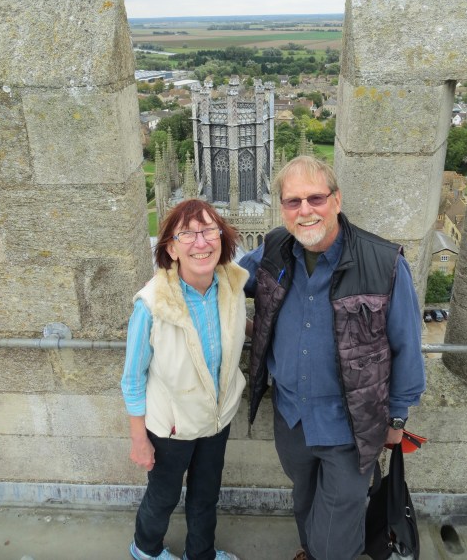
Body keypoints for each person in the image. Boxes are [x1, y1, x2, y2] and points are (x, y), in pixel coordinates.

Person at [239, 156, 426, 560]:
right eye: (293, 202)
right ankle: (311, 550)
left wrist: (397, 418)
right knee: (304, 499)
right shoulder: (273, 249)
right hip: (291, 417)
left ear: (336, 200)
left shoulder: (384, 263)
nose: (305, 210)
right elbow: (229, 281)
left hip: (350, 424)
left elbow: (407, 346)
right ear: (283, 209)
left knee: (338, 524)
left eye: (315, 198)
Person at [121, 199, 248, 560]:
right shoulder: (151, 305)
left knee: (206, 495)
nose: (201, 242)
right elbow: (132, 378)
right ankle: (145, 550)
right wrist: (139, 439)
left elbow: (235, 329)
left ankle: (201, 554)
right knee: (163, 495)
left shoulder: (231, 288)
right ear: (171, 248)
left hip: (214, 420)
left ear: (222, 239)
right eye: (187, 234)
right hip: (171, 429)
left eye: (209, 230)